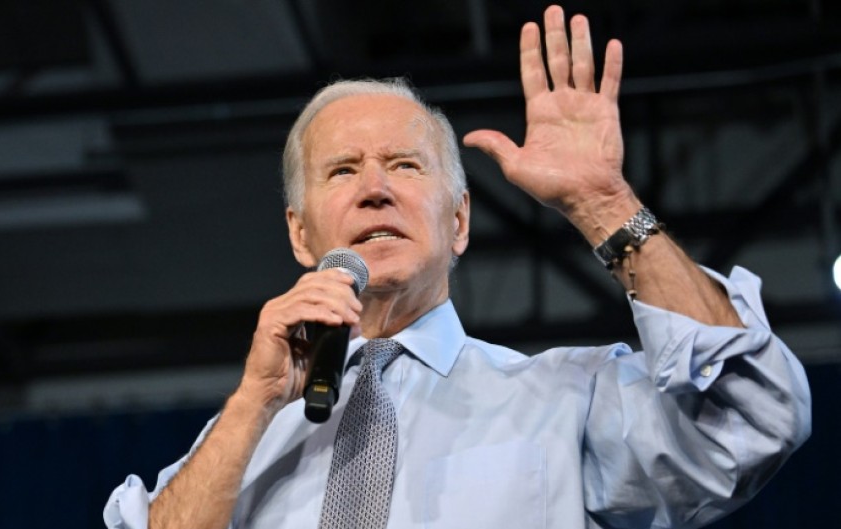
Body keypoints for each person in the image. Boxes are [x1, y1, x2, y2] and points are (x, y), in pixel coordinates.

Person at [104, 5, 811, 529]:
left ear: (460, 220)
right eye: (343, 169)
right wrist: (253, 402)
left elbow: (754, 419)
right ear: (299, 232)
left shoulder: (566, 403)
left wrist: (603, 202)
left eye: (405, 165)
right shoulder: (241, 441)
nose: (375, 187)